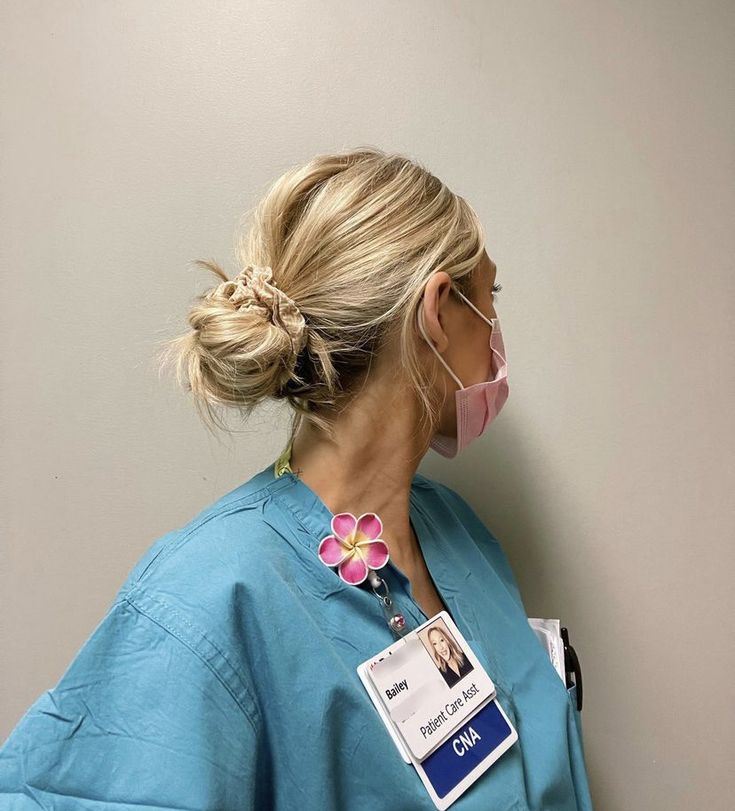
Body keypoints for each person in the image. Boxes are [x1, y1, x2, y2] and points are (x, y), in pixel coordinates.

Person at [0, 147, 593, 810]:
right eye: (490, 297)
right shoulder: (207, 596)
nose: (495, 333)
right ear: (436, 309)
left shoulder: (459, 535)